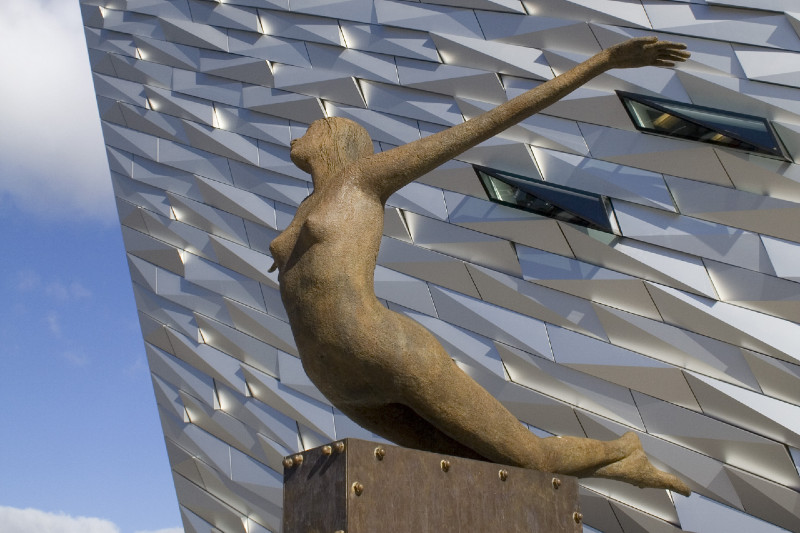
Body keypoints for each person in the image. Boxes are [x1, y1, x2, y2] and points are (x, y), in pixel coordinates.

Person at [269, 37, 691, 494]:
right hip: (332, 376)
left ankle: (620, 450)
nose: (297, 138)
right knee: (470, 468)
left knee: (525, 458)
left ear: (335, 139)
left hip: (383, 351)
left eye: (311, 130)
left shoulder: (362, 180)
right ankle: (617, 465)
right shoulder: (306, 206)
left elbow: (487, 124)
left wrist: (604, 60)